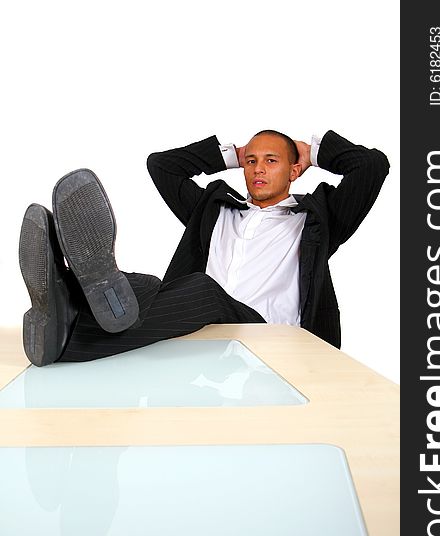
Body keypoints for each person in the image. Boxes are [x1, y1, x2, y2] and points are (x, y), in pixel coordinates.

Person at [18, 129, 389, 366]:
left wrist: (313, 150)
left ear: (294, 171)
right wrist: (232, 153)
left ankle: (87, 292)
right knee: (146, 294)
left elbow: (372, 167)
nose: (257, 168)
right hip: (195, 330)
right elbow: (161, 166)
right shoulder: (214, 208)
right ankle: (66, 324)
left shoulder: (318, 220)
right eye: (251, 161)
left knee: (203, 290)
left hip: (269, 340)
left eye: (271, 161)